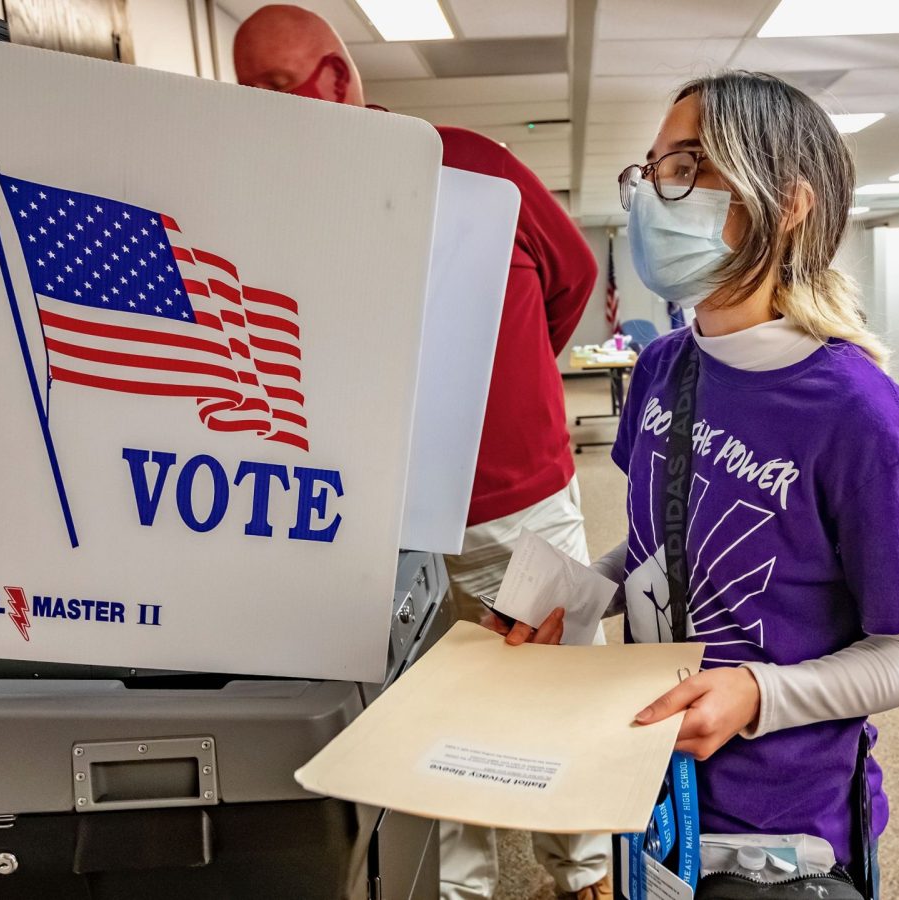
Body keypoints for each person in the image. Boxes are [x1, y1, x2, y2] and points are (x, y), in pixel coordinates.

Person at [492, 71, 899, 899]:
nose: (655, 195)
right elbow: (658, 544)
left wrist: (758, 694)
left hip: (784, 826)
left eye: (689, 166)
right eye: (653, 168)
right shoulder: (664, 368)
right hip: (652, 782)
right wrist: (580, 594)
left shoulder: (863, 418)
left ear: (787, 203)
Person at [232, 8, 609, 900]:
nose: (258, 111)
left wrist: (505, 379)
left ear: (335, 78)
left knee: (551, 696)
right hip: (388, 518)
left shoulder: (478, 166)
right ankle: (458, 886)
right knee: (432, 715)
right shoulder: (274, 201)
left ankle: (582, 873)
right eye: (244, 93)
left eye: (274, 88)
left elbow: (573, 281)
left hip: (521, 499)